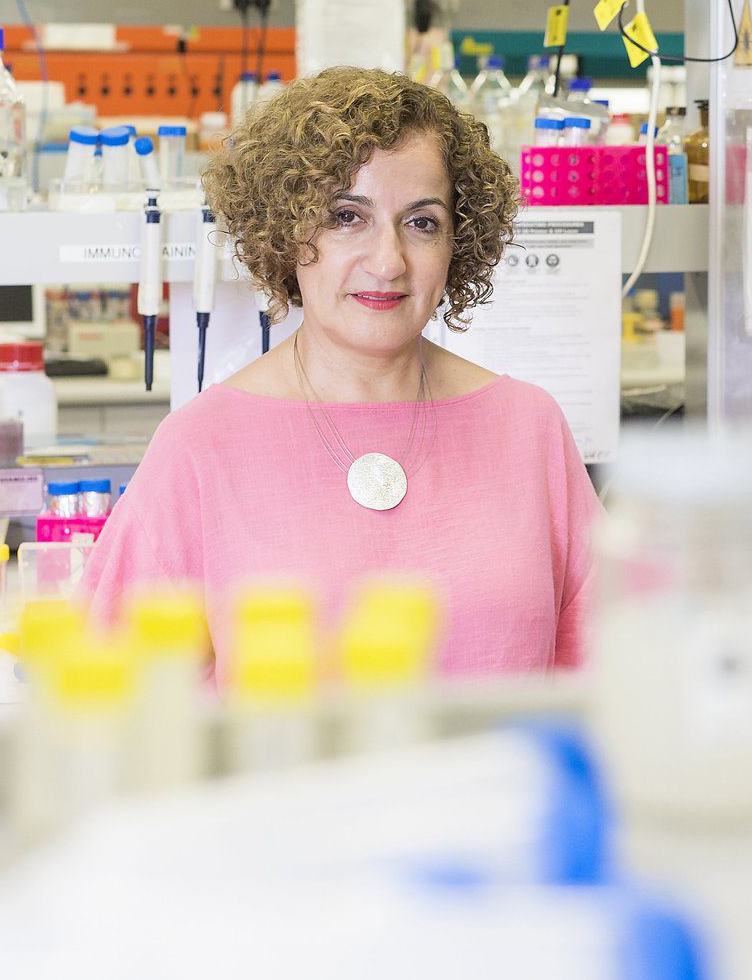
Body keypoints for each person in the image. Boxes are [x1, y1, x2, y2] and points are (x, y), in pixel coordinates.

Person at [82, 67, 600, 683]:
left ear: (459, 243)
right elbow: (112, 700)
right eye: (347, 217)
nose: (388, 261)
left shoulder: (527, 427)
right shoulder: (200, 447)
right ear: (286, 230)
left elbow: (610, 674)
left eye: (422, 222)